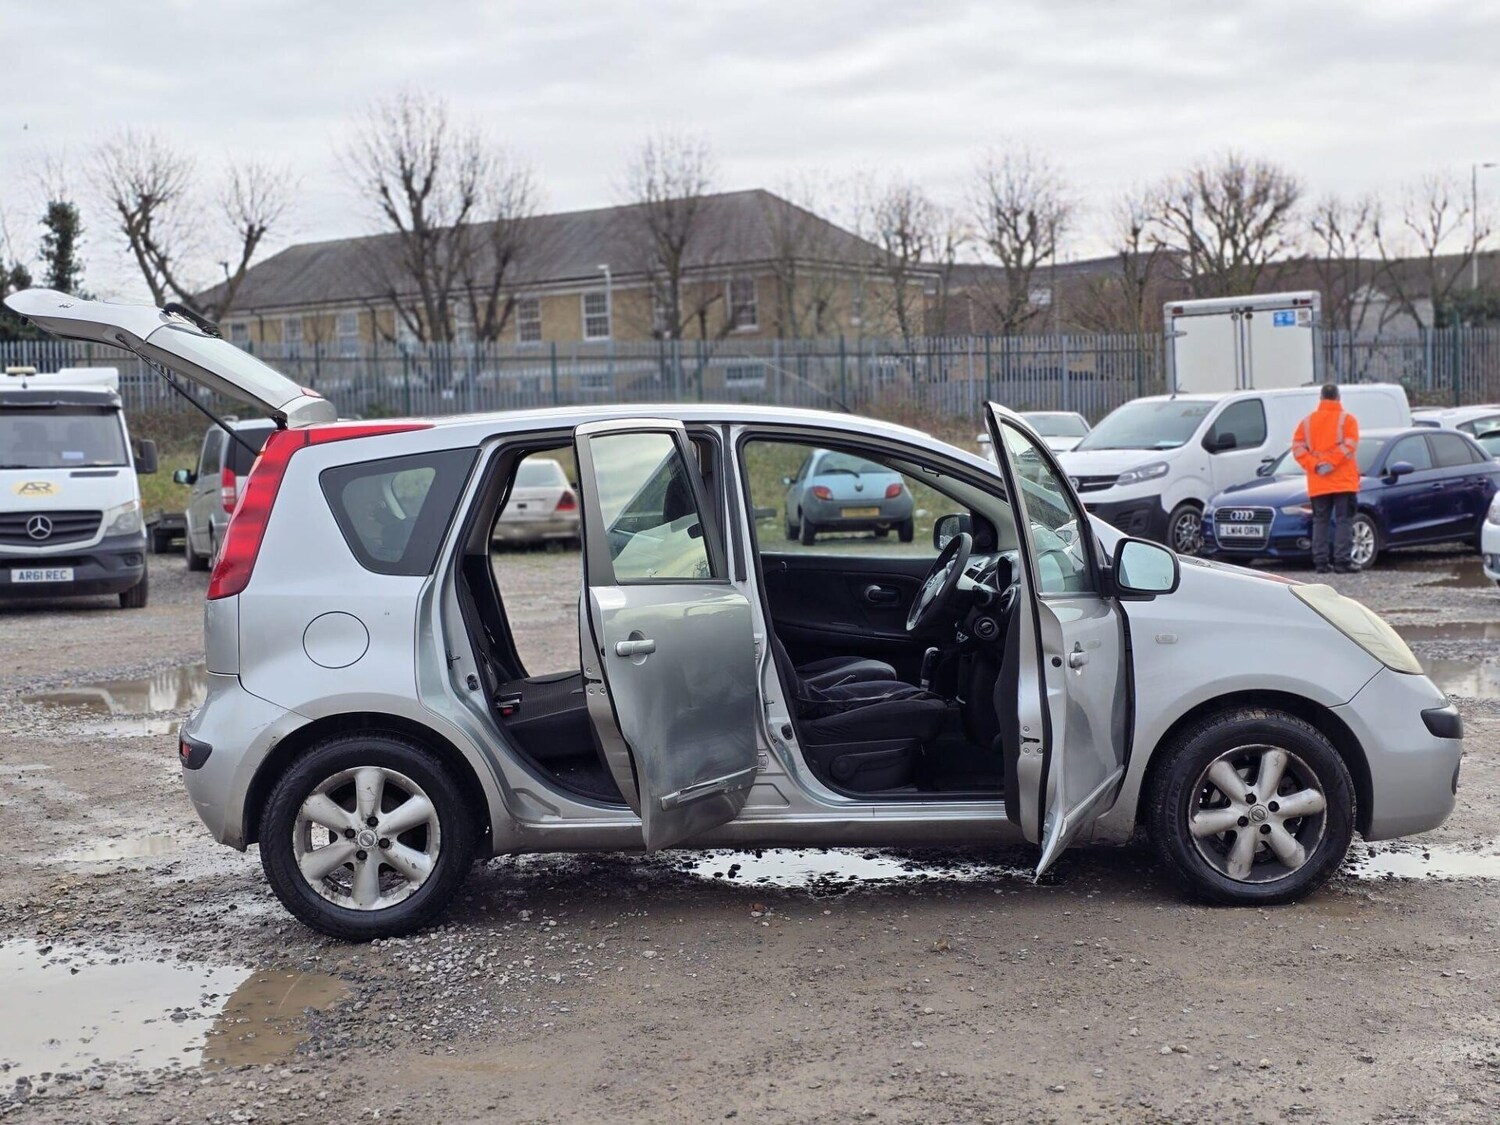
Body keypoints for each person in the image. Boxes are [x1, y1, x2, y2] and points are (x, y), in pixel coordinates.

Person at [1292, 383, 1361, 574]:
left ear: (1321, 398)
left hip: (1318, 481)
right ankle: (1342, 562)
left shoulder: (1307, 422)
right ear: (1339, 398)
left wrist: (1315, 464)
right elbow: (1349, 446)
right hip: (1343, 481)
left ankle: (1321, 563)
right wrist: (1330, 462)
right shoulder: (1348, 420)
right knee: (1344, 521)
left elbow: (1297, 448)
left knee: (1320, 521)